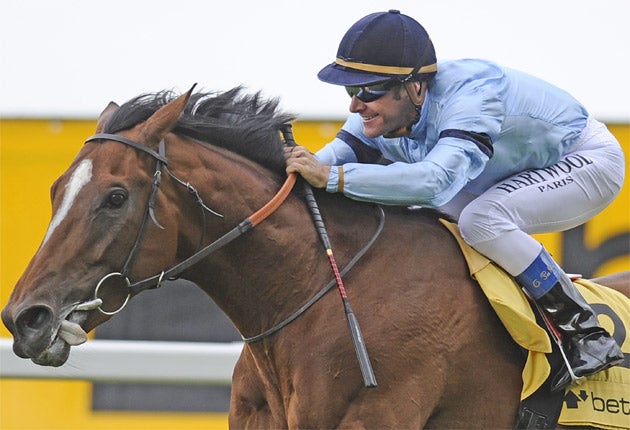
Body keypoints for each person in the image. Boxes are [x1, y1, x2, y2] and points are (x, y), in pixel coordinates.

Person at [284, 9, 624, 392]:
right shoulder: (380, 114)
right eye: (350, 91)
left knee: (481, 220)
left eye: (369, 89)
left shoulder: (472, 96)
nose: (355, 105)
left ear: (415, 88)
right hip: (503, 173)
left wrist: (331, 177)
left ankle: (585, 331)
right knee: (419, 219)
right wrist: (288, 171)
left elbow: (435, 182)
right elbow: (322, 166)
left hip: (587, 161)